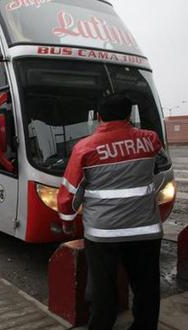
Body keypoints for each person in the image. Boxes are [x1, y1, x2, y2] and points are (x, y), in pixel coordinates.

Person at [57, 94, 163, 330]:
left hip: (103, 233)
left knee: (102, 290)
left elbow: (70, 193)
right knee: (146, 288)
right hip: (146, 231)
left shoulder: (85, 147)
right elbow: (156, 163)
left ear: (98, 117)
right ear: (129, 114)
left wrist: (67, 220)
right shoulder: (151, 139)